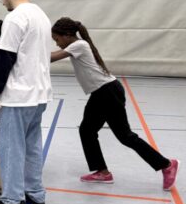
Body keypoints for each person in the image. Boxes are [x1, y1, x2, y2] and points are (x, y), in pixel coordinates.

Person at [50, 17, 179, 190]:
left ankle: (167, 165)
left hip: (107, 92)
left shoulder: (78, 45)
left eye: (57, 39)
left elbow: (51, 58)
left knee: (122, 136)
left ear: (67, 35)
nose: (57, 44)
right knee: (89, 131)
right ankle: (103, 172)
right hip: (103, 92)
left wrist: (28, 52)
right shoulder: (77, 46)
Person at [0, 0, 52, 204]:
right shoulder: (41, 15)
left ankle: (12, 200)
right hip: (39, 93)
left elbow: (5, 58)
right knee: (32, 145)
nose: (3, 2)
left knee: (11, 148)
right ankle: (35, 191)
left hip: (19, 95)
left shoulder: (15, 18)